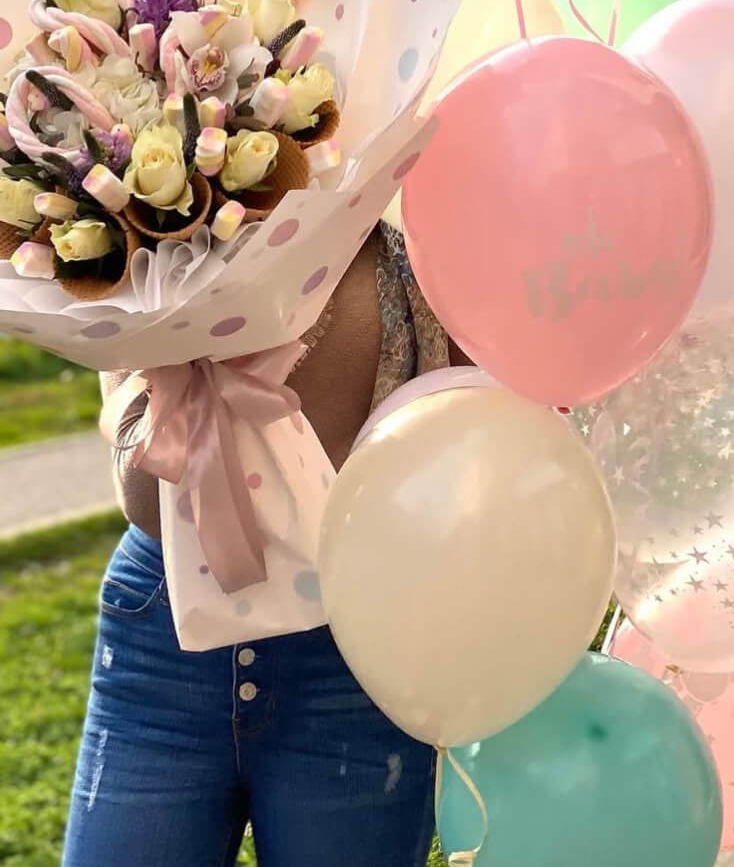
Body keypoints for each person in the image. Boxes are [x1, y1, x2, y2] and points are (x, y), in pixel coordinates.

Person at [62, 223, 460, 867]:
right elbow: (146, 504)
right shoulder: (139, 236)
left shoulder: (419, 251)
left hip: (358, 653)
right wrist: (182, 349)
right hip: (163, 633)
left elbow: (466, 453)